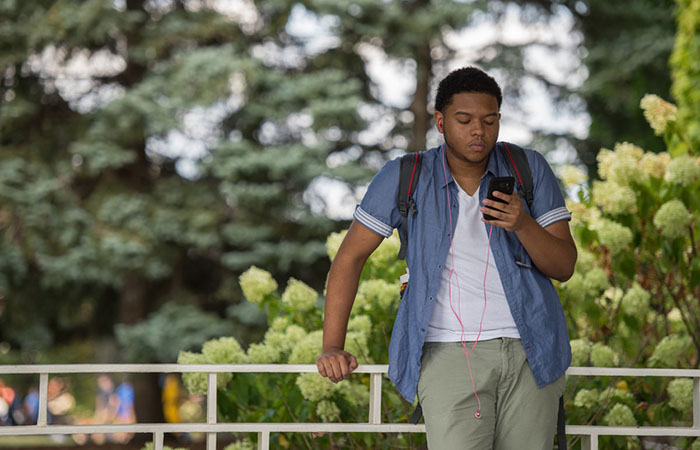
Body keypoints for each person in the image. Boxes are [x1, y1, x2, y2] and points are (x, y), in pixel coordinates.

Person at [316, 66, 577, 449]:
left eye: (490, 121)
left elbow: (564, 266)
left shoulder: (528, 168)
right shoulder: (405, 175)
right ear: (440, 121)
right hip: (447, 353)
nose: (478, 131)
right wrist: (332, 345)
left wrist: (522, 223)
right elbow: (350, 257)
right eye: (465, 120)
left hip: (532, 350)